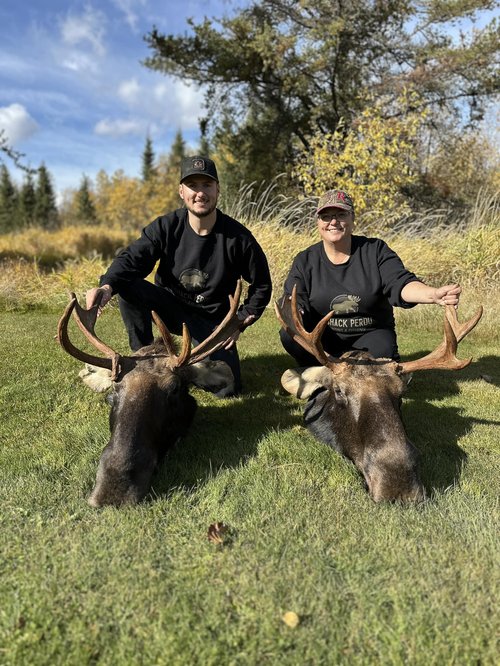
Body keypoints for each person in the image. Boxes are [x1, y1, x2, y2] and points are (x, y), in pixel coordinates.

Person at [86, 155, 272, 396]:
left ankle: (186, 367)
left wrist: (239, 321)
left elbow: (262, 285)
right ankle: (145, 359)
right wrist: (107, 287)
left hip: (212, 323)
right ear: (181, 191)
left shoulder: (239, 238)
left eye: (207, 185)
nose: (200, 193)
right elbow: (131, 259)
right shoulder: (166, 227)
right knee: (127, 285)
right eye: (193, 185)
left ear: (218, 189)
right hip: (170, 308)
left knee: (228, 388)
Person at [279, 189, 461, 365]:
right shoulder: (306, 260)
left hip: (370, 336)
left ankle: (331, 374)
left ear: (353, 218)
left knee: (382, 359)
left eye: (341, 215)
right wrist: (296, 312)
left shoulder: (375, 251)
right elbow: (294, 298)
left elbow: (400, 283)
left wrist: (433, 294)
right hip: (324, 340)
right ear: (318, 222)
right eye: (326, 216)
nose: (333, 222)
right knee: (289, 333)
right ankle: (317, 368)